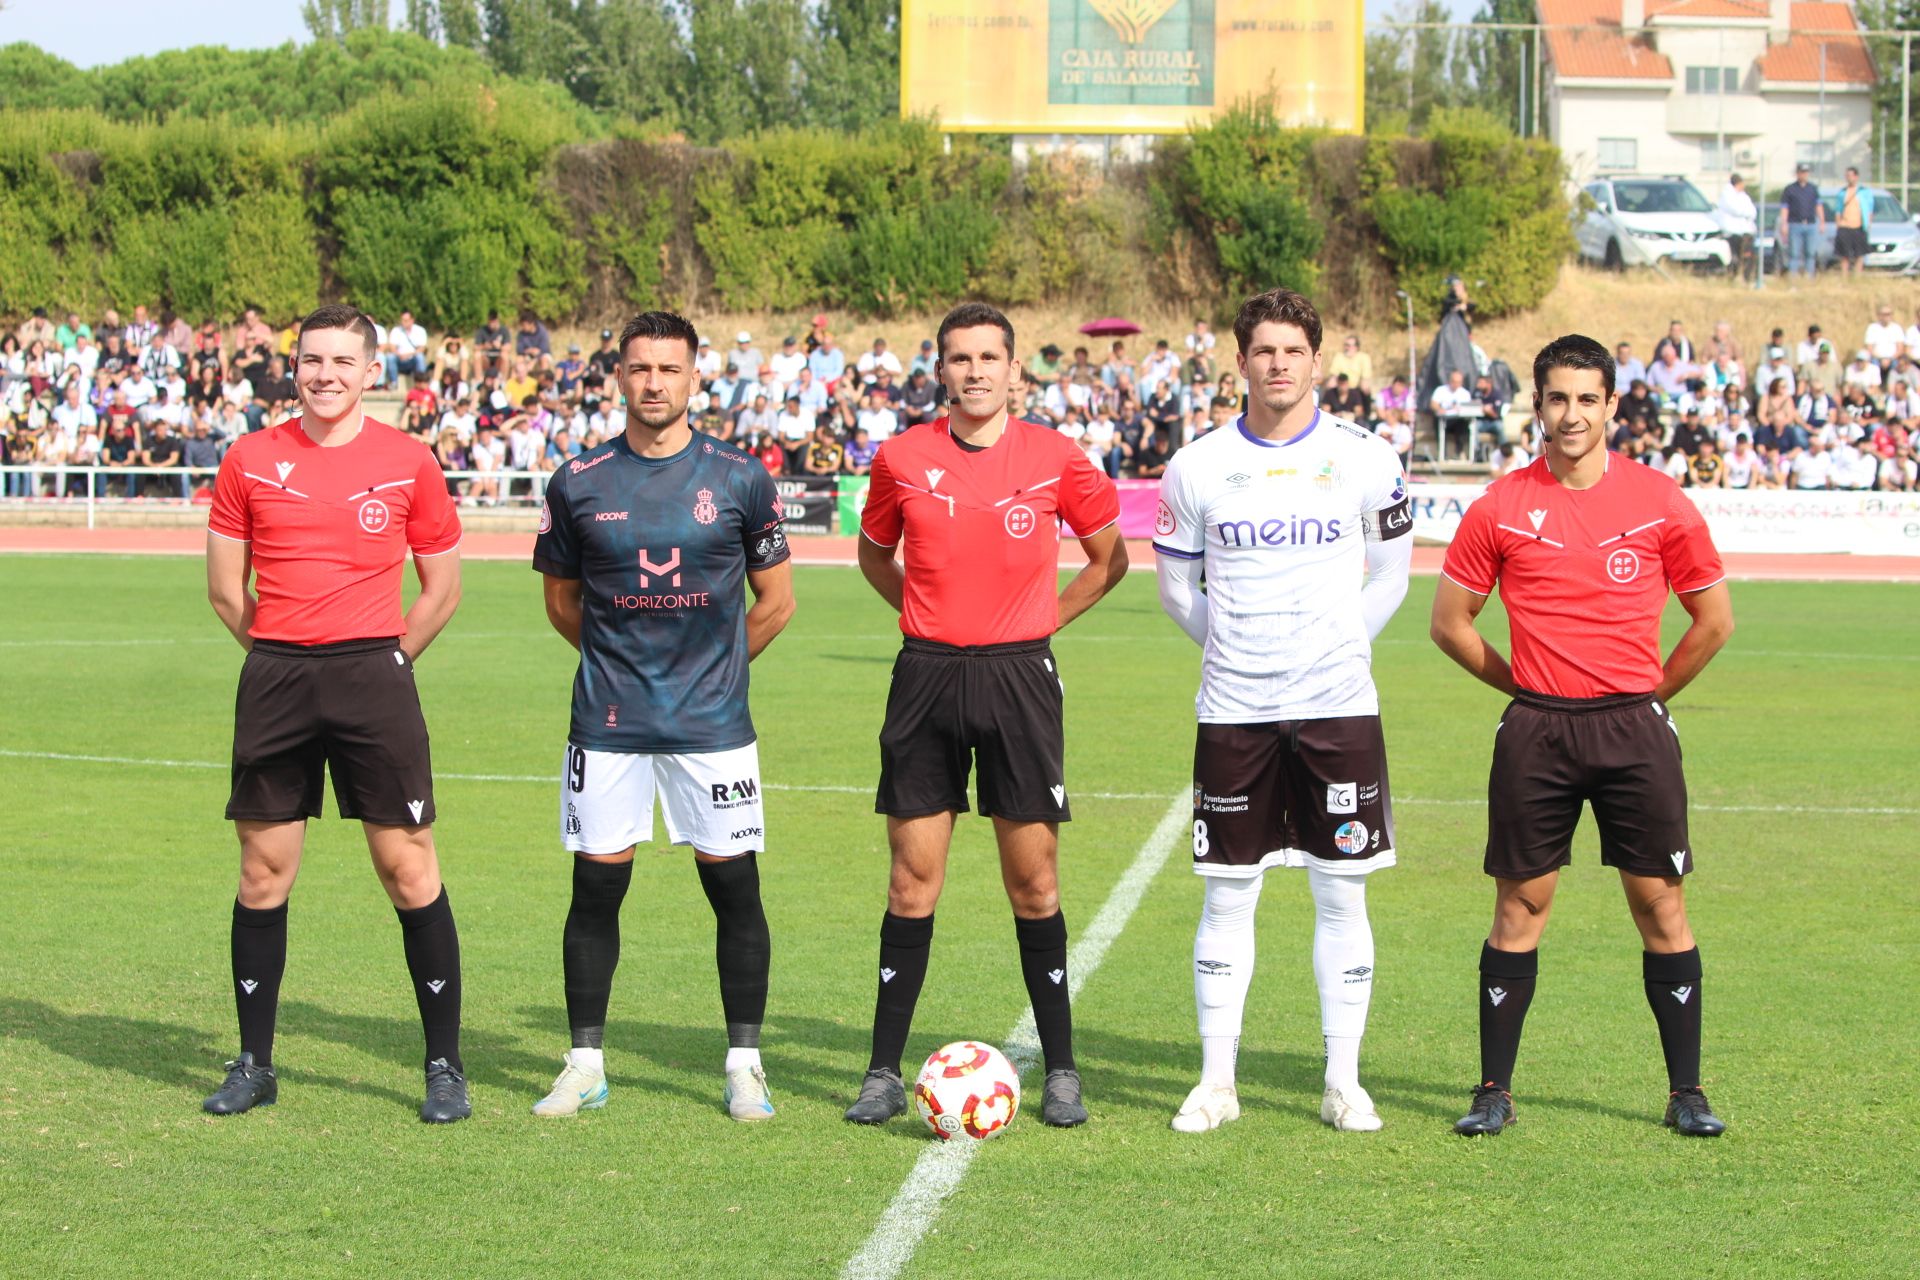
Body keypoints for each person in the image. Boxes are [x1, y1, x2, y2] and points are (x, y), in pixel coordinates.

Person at [1429, 333, 1734, 1139]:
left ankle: (1686, 1093)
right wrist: (1523, 685)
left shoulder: (1661, 501)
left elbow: (1714, 622)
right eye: (1557, 398)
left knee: (1659, 904)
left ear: (1612, 406)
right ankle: (1493, 1089)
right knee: (1520, 905)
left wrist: (1650, 695)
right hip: (1538, 731)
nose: (1572, 414)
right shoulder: (1500, 506)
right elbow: (1450, 624)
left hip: (1635, 729)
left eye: (1587, 399)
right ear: (1538, 404)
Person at [844, 301, 1127, 1129]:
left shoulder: (1055, 458)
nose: (974, 372)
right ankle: (882, 1072)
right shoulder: (900, 456)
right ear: (941, 370)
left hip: (1018, 681)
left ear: (1013, 370)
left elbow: (1110, 559)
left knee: (1034, 883)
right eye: (959, 359)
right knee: (910, 880)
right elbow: (872, 552)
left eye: (988, 358)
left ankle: (1063, 1070)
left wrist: (1044, 620)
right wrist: (923, 613)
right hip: (925, 678)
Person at [1151, 287, 1414, 1135]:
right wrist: (1237, 650)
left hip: (1339, 710)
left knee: (1344, 896)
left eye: (1293, 350)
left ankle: (1344, 1082)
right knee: (1227, 896)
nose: (1278, 364)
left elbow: (1395, 574)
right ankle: (1216, 1083)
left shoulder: (1366, 458)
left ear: (1317, 359)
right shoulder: (1196, 466)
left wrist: (1338, 648)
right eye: (1263, 351)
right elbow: (1175, 592)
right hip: (1235, 712)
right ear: (1242, 361)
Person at [201, 304, 468, 1122]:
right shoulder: (249, 457)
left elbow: (442, 587)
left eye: (343, 362)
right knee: (262, 873)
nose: (325, 375)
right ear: (296, 367)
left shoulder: (408, 460)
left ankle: (444, 1066)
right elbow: (223, 589)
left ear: (371, 371)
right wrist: (283, 653)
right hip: (277, 675)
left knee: (407, 868)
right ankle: (254, 1063)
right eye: (312, 361)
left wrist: (384, 661)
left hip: (372, 678)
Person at [529, 310, 796, 1121]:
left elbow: (776, 604)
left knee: (735, 889)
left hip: (712, 729)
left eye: (669, 370)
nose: (654, 383)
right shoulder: (577, 480)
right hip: (608, 724)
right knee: (594, 890)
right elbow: (562, 603)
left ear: (693, 378)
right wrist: (625, 670)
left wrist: (711, 673)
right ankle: (584, 1063)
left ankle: (744, 1063)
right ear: (619, 375)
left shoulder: (741, 477)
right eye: (640, 369)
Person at [1778, 163, 1825, 280]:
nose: (1804, 175)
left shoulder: (1813, 189)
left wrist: (1822, 222)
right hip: (1795, 224)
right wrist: (1784, 224)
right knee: (1794, 253)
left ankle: (1809, 276)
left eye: (1806, 172)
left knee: (1810, 252)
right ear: (1797, 173)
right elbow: (1785, 208)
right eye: (1802, 172)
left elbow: (1818, 206)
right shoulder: (1790, 189)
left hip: (1810, 224)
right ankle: (1793, 276)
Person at [1832, 167, 1873, 281]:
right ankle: (1844, 277)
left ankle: (1857, 277)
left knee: (1860, 253)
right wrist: (1838, 224)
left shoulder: (1864, 192)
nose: (1848, 178)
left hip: (1859, 226)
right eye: (1847, 175)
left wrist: (1868, 224)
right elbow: (1838, 210)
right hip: (1845, 226)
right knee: (1844, 254)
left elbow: (1869, 209)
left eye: (1850, 175)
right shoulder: (1842, 193)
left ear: (1856, 176)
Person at [1715, 174, 1757, 279]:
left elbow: (1752, 211)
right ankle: (1733, 276)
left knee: (1747, 256)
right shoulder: (1727, 195)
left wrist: (1747, 213)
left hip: (1746, 232)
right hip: (1732, 232)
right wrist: (1746, 213)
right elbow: (1735, 210)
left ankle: (1746, 277)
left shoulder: (1743, 196)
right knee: (1734, 257)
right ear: (1738, 183)